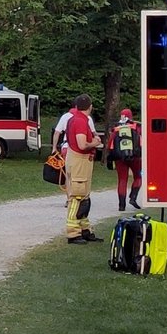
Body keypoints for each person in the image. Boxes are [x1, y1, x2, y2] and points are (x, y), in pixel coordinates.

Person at [61, 93, 102, 243]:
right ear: (90, 107)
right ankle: (73, 233)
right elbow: (82, 144)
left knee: (84, 196)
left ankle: (85, 230)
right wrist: (96, 143)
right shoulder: (79, 121)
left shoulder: (75, 119)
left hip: (80, 160)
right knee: (77, 197)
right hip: (79, 160)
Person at [106, 107, 142, 210]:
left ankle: (121, 206)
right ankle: (133, 197)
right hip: (135, 157)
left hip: (119, 158)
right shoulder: (137, 127)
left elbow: (110, 144)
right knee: (138, 177)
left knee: (122, 180)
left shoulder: (117, 128)